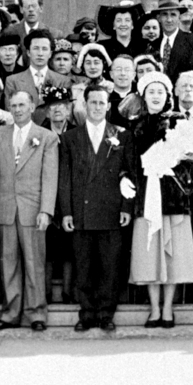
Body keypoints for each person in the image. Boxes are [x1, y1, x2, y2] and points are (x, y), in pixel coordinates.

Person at [128, 72, 193, 328]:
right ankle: (153, 309)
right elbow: (130, 161)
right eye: (151, 92)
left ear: (168, 95)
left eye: (160, 91)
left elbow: (191, 160)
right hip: (147, 197)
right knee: (150, 255)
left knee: (173, 256)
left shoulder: (179, 121)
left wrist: (168, 163)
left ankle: (168, 309)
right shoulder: (135, 125)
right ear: (144, 95)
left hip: (173, 196)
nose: (156, 96)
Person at [58, 83, 133, 332]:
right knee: (84, 265)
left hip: (111, 210)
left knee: (109, 266)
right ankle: (86, 313)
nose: (98, 107)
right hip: (81, 211)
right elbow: (64, 178)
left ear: (109, 106)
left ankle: (105, 313)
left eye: (102, 102)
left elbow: (129, 175)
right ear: (85, 104)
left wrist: (126, 207)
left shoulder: (122, 135)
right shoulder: (70, 138)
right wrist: (67, 212)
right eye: (93, 102)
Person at [0, 91, 60, 332]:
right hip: (6, 205)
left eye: (22, 105)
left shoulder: (46, 137)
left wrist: (46, 210)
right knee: (8, 261)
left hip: (32, 208)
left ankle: (37, 313)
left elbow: (50, 177)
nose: (17, 109)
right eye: (13, 105)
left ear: (32, 107)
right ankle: (10, 313)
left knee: (34, 262)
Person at [5, 29, 69, 109]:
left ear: (50, 54)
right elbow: (9, 111)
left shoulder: (63, 81)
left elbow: (64, 111)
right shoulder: (13, 81)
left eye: (44, 49)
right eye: (36, 48)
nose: (40, 53)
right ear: (28, 52)